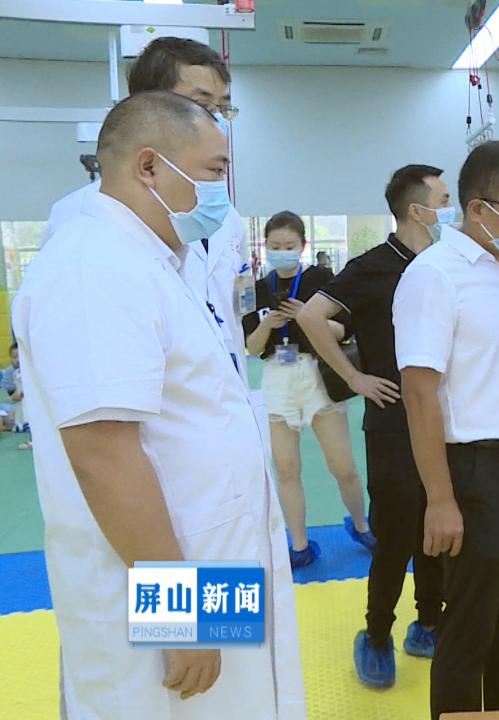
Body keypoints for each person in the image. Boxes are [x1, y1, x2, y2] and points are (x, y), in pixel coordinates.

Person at [12, 91, 303, 718]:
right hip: (162, 579)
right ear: (149, 166)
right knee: (177, 704)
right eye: (213, 171)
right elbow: (102, 454)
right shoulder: (94, 265)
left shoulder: (156, 261)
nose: (220, 191)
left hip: (209, 556)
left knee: (241, 701)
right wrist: (182, 618)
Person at [394, 141, 499, 719]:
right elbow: (419, 394)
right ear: (477, 207)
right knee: (468, 632)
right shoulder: (434, 276)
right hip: (475, 474)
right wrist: (440, 499)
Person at [296, 165, 454, 687]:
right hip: (392, 421)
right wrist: (354, 377)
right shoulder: (373, 267)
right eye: (444, 199)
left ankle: (428, 622)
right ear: (417, 210)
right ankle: (378, 634)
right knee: (396, 534)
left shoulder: (446, 263)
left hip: (444, 418)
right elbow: (311, 317)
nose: (450, 208)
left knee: (440, 524)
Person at [42, 36, 253, 384]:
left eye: (222, 109)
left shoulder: (223, 216)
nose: (215, 120)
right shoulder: (79, 224)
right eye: (202, 105)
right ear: (150, 107)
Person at [242, 211, 373, 569]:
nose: (282, 252)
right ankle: (299, 545)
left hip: (318, 373)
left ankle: (361, 525)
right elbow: (252, 346)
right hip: (277, 377)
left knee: (342, 465)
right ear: (265, 246)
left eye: (289, 245)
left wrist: (306, 316)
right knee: (286, 468)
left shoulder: (321, 280)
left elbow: (343, 331)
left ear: (303, 245)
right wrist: (268, 324)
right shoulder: (258, 288)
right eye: (275, 246)